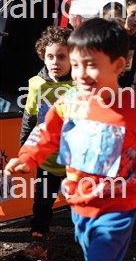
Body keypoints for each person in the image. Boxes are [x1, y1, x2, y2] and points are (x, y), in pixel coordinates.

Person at [3, 18, 136, 261]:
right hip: (80, 203)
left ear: (119, 65)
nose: (80, 74)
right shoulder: (69, 102)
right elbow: (46, 133)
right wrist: (27, 157)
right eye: (76, 64)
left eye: (90, 65)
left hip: (118, 205)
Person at [19, 26, 74, 261]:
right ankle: (39, 239)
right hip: (47, 159)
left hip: (75, 161)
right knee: (42, 202)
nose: (55, 62)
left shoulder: (81, 85)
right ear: (43, 56)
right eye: (50, 56)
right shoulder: (36, 84)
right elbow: (29, 117)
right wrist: (25, 149)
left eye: (62, 57)